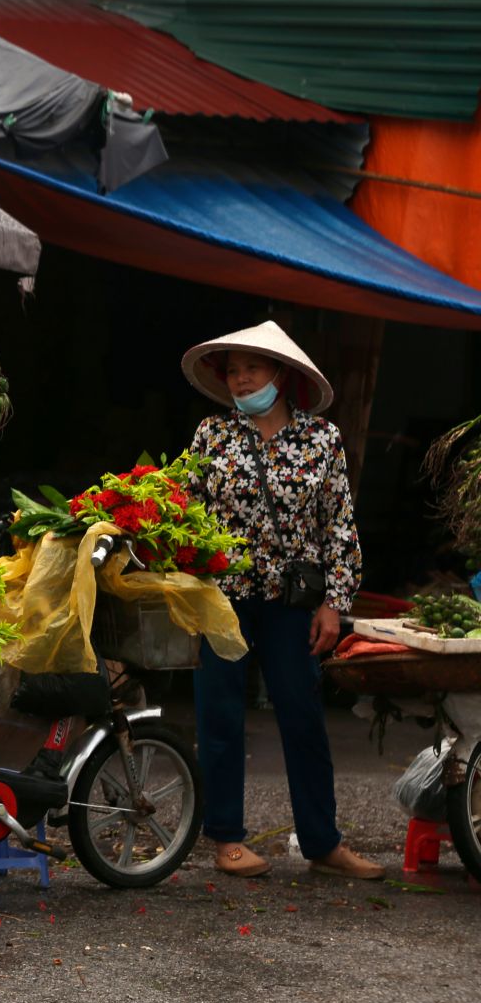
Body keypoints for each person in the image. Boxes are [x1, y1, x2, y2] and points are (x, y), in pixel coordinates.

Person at [181, 321, 383, 880]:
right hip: (221, 597)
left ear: (281, 374)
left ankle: (323, 842)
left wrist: (334, 603)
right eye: (234, 371)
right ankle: (226, 839)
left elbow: (339, 526)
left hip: (292, 600)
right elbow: (185, 509)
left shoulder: (322, 440)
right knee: (218, 714)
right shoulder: (211, 436)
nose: (242, 379)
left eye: (252, 368)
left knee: (302, 716)